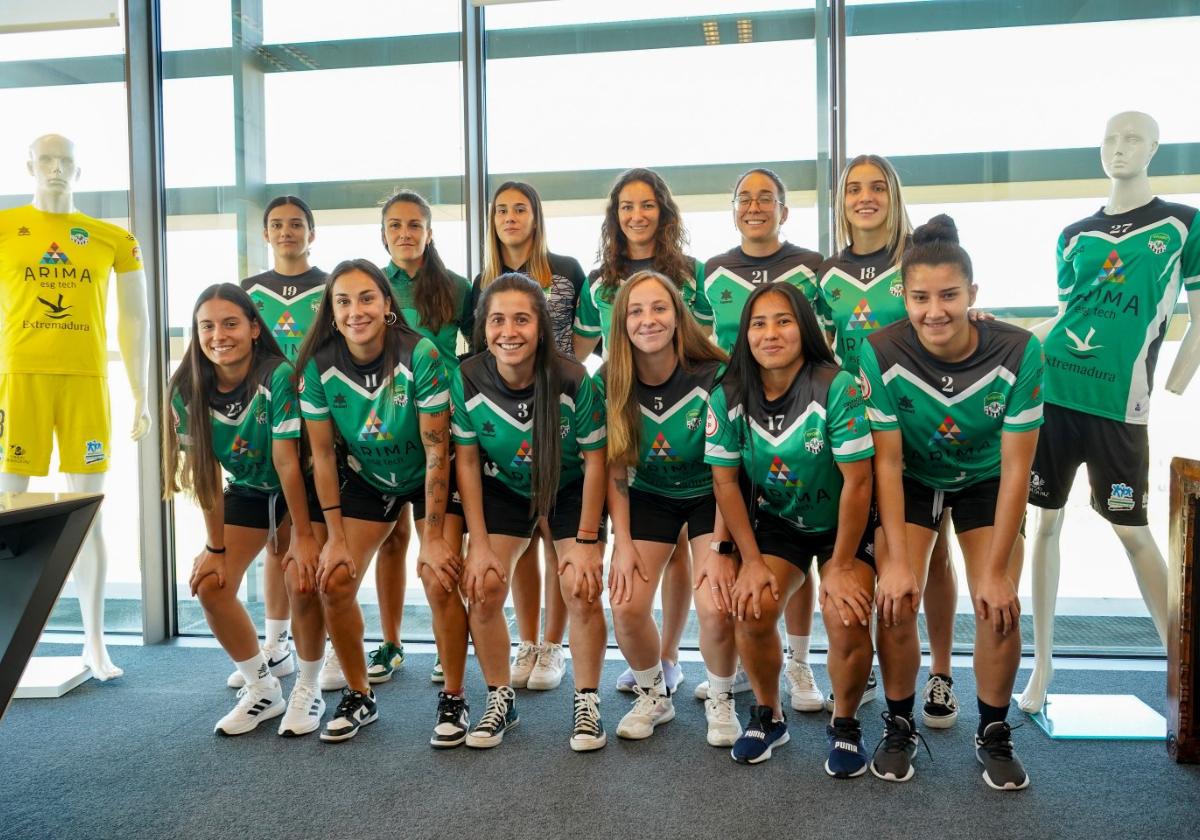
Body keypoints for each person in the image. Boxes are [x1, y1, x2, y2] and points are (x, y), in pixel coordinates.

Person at [1020, 111, 1200, 713]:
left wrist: (1174, 382)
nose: (1119, 149)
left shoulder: (1183, 225)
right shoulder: (1074, 233)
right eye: (1110, 139)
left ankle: (1184, 674)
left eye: (1132, 139)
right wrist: (1014, 344)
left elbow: (1198, 316)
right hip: (1054, 391)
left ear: (1154, 148)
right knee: (1043, 524)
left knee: (1133, 532)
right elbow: (1070, 314)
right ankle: (1042, 667)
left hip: (1121, 404)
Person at [859, 215, 1042, 790]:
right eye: (919, 297)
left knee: (999, 605)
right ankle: (898, 723)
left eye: (948, 296)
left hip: (985, 478)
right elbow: (885, 462)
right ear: (903, 297)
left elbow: (1017, 466)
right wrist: (890, 562)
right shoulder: (879, 350)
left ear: (973, 295)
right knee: (893, 597)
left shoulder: (1018, 349)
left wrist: (994, 571)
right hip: (912, 477)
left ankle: (993, 731)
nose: (934, 310)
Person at [0, 133, 152, 681]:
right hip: (21, 383)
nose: (56, 169)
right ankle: (9, 648)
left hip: (86, 384)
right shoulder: (4, 229)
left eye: (66, 162)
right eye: (46, 160)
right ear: (29, 166)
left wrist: (142, 391)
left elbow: (134, 320)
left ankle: (95, 643)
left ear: (80, 171)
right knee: (10, 516)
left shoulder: (110, 238)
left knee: (88, 514)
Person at [705, 281, 875, 767]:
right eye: (758, 323)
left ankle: (845, 724)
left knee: (847, 614)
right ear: (745, 334)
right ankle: (768, 716)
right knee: (752, 606)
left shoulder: (834, 385)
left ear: (804, 328)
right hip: (780, 521)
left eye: (783, 321)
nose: (770, 333)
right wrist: (752, 561)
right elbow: (726, 485)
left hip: (845, 521)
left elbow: (860, 483)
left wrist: (841, 564)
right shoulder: (730, 393)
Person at [295, 259, 462, 743]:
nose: (355, 311)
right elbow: (323, 456)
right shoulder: (318, 364)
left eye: (366, 298)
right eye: (342, 301)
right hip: (368, 478)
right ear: (330, 310)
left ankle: (453, 698)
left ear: (387, 304)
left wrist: (431, 538)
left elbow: (436, 450)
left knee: (439, 577)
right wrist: (334, 538)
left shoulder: (421, 353)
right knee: (335, 581)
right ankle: (359, 694)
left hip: (429, 471)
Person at [817, 155, 958, 727]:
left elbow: (948, 316)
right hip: (855, 427)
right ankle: (873, 663)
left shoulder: (916, 259)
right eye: (855, 188)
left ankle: (943, 671)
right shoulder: (826, 273)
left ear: (894, 196)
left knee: (935, 554)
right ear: (842, 200)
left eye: (878, 187)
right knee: (875, 547)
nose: (865, 197)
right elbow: (822, 352)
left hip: (916, 422)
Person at [453, 273, 608, 751]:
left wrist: (585, 542)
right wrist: (477, 544)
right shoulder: (467, 378)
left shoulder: (573, 379)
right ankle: (501, 697)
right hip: (505, 489)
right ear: (483, 327)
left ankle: (586, 701)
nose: (509, 331)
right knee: (481, 587)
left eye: (522, 319)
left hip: (568, 488)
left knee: (580, 588)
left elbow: (597, 461)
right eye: (497, 320)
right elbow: (467, 461)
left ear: (540, 325)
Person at [574, 167, 713, 697]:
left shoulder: (691, 272)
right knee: (657, 544)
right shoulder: (598, 282)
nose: (637, 215)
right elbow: (580, 355)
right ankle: (658, 659)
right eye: (626, 206)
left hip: (684, 417)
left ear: (664, 212)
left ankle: (672, 654)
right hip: (631, 414)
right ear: (615, 217)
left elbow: (704, 345)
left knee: (683, 546)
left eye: (647, 204)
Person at [163, 284, 317, 736]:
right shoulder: (185, 389)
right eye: (206, 326)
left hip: (304, 487)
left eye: (230, 323)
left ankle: (310, 687)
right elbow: (206, 475)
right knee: (211, 584)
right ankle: (262, 688)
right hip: (249, 489)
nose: (218, 335)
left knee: (301, 578)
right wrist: (214, 547)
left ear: (253, 328)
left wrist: (304, 537)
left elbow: (289, 462)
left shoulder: (278, 376)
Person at [703, 167, 825, 710]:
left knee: (804, 532)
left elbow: (836, 331)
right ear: (733, 210)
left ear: (784, 209)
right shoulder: (712, 271)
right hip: (742, 415)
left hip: (800, 415)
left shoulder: (813, 267)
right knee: (754, 539)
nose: (755, 206)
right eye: (744, 199)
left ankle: (799, 661)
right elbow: (701, 339)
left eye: (766, 198)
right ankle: (743, 665)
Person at [598, 270, 732, 744]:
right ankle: (655, 695)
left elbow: (730, 472)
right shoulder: (610, 379)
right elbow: (615, 466)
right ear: (622, 322)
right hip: (651, 494)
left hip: (712, 494)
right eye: (636, 310)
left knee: (715, 603)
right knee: (626, 603)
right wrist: (623, 542)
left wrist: (720, 545)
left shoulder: (715, 372)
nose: (647, 319)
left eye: (659, 308)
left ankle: (721, 697)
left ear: (678, 317)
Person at [471, 181, 588, 692]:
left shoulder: (566, 269)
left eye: (521, 208)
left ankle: (554, 646)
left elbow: (582, 343)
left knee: (553, 535)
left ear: (537, 217)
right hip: (506, 404)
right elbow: (484, 343)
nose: (511, 217)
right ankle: (527, 640)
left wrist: (560, 386)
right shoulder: (485, 279)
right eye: (502, 210)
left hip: (556, 404)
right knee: (517, 536)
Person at [368, 190, 473, 685]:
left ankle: (446, 642)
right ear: (384, 233)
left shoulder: (456, 286)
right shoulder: (370, 286)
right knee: (393, 539)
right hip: (388, 420)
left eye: (414, 225)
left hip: (445, 418)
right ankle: (390, 643)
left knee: (445, 540)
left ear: (430, 233)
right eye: (395, 226)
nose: (405, 234)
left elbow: (480, 353)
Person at [225, 195, 326, 691]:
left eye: (296, 224)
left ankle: (317, 646)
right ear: (265, 234)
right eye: (276, 225)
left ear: (312, 231)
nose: (286, 231)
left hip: (318, 421)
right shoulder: (249, 293)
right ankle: (276, 643)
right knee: (272, 537)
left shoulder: (330, 289)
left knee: (312, 538)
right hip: (267, 420)